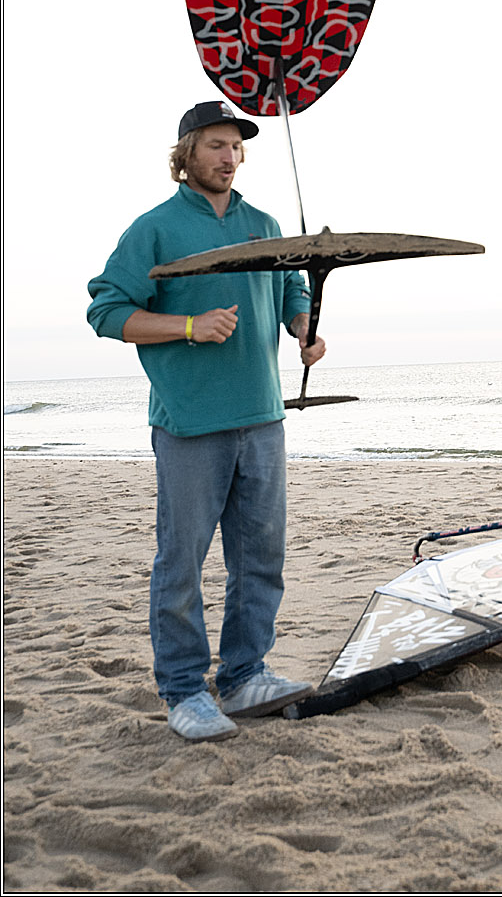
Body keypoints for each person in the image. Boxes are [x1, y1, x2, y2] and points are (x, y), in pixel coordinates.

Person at [87, 100, 326, 743]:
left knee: (260, 558)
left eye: (235, 145)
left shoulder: (265, 224)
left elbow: (291, 294)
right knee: (182, 562)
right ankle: (185, 691)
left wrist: (305, 329)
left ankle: (246, 675)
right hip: (190, 423)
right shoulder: (156, 228)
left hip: (263, 415)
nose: (228, 155)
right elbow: (108, 311)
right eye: (215, 144)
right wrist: (188, 328)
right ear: (187, 153)